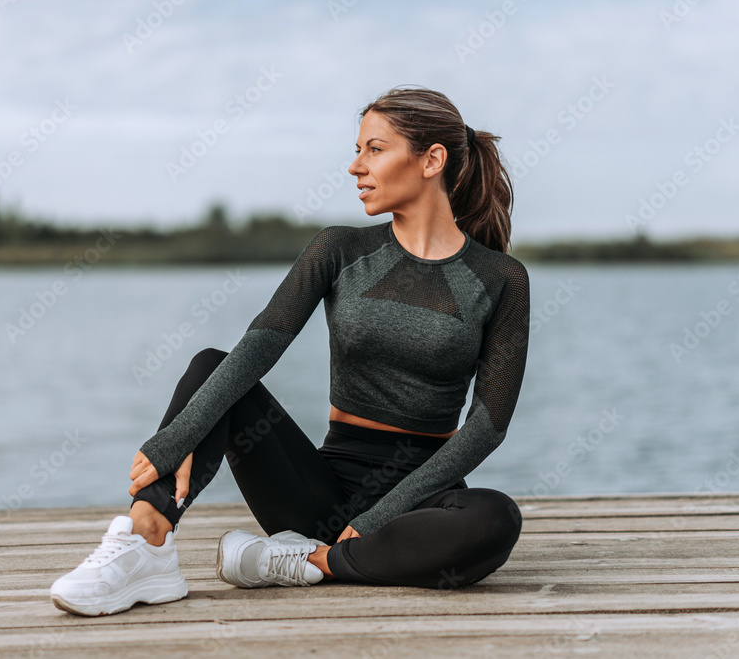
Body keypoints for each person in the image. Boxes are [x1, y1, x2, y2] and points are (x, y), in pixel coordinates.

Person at [50, 85, 531, 616]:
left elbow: (488, 426)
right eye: (357, 150)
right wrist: (175, 439)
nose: (355, 166)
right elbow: (258, 348)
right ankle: (148, 542)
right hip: (318, 496)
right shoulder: (340, 249)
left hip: (419, 506)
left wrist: (374, 522)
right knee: (212, 366)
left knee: (495, 518)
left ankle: (308, 564)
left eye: (374, 148)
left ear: (431, 160)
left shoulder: (501, 279)